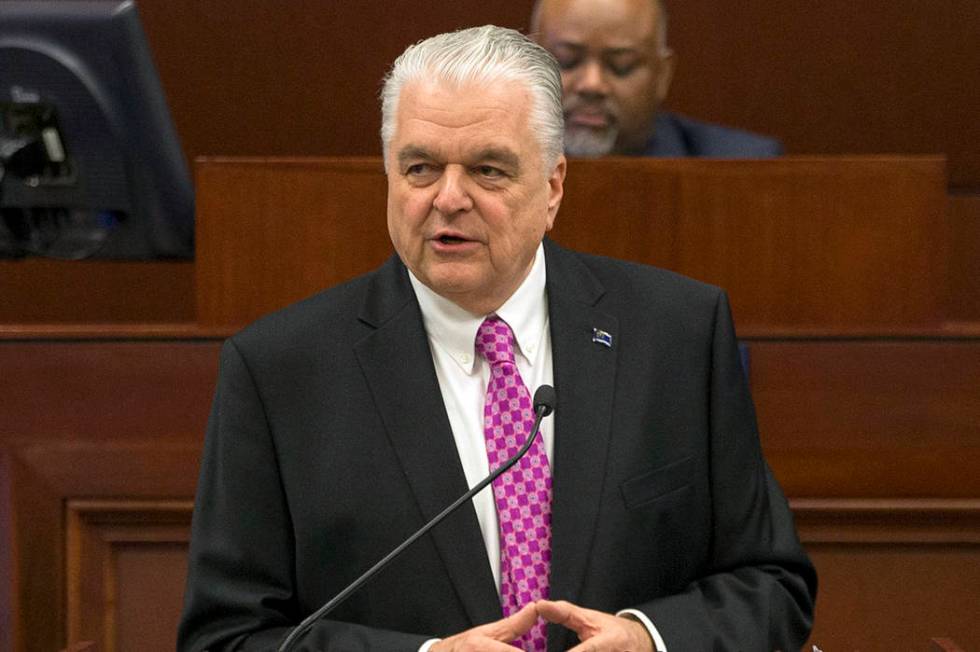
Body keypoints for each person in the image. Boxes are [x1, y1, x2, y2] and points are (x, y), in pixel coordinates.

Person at [178, 25, 815, 652]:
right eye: (420, 167)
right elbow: (226, 637)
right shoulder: (280, 370)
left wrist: (649, 641)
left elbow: (771, 585)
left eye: (487, 170)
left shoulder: (676, 333)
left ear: (553, 186)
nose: (447, 199)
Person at [530, 0, 783, 158]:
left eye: (621, 66)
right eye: (566, 61)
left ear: (662, 75)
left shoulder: (741, 167)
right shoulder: (494, 163)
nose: (592, 84)